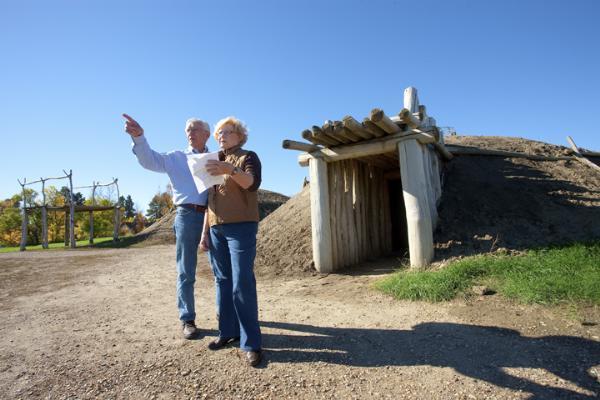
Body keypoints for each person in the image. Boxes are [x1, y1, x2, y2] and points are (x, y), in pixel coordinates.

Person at [122, 113, 209, 340]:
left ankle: (227, 315)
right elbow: (149, 160)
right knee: (186, 270)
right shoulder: (176, 157)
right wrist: (140, 138)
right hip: (187, 215)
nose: (189, 132)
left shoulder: (215, 158)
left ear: (207, 134)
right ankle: (187, 319)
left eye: (194, 129)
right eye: (187, 129)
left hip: (214, 217)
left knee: (222, 270)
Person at [201, 116, 263, 367]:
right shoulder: (213, 160)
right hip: (216, 228)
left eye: (227, 132)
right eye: (218, 133)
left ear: (240, 135)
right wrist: (205, 232)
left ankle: (251, 343)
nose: (221, 136)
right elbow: (209, 199)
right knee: (223, 282)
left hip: (241, 227)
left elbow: (252, 183)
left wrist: (231, 170)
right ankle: (227, 332)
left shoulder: (248, 156)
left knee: (242, 282)